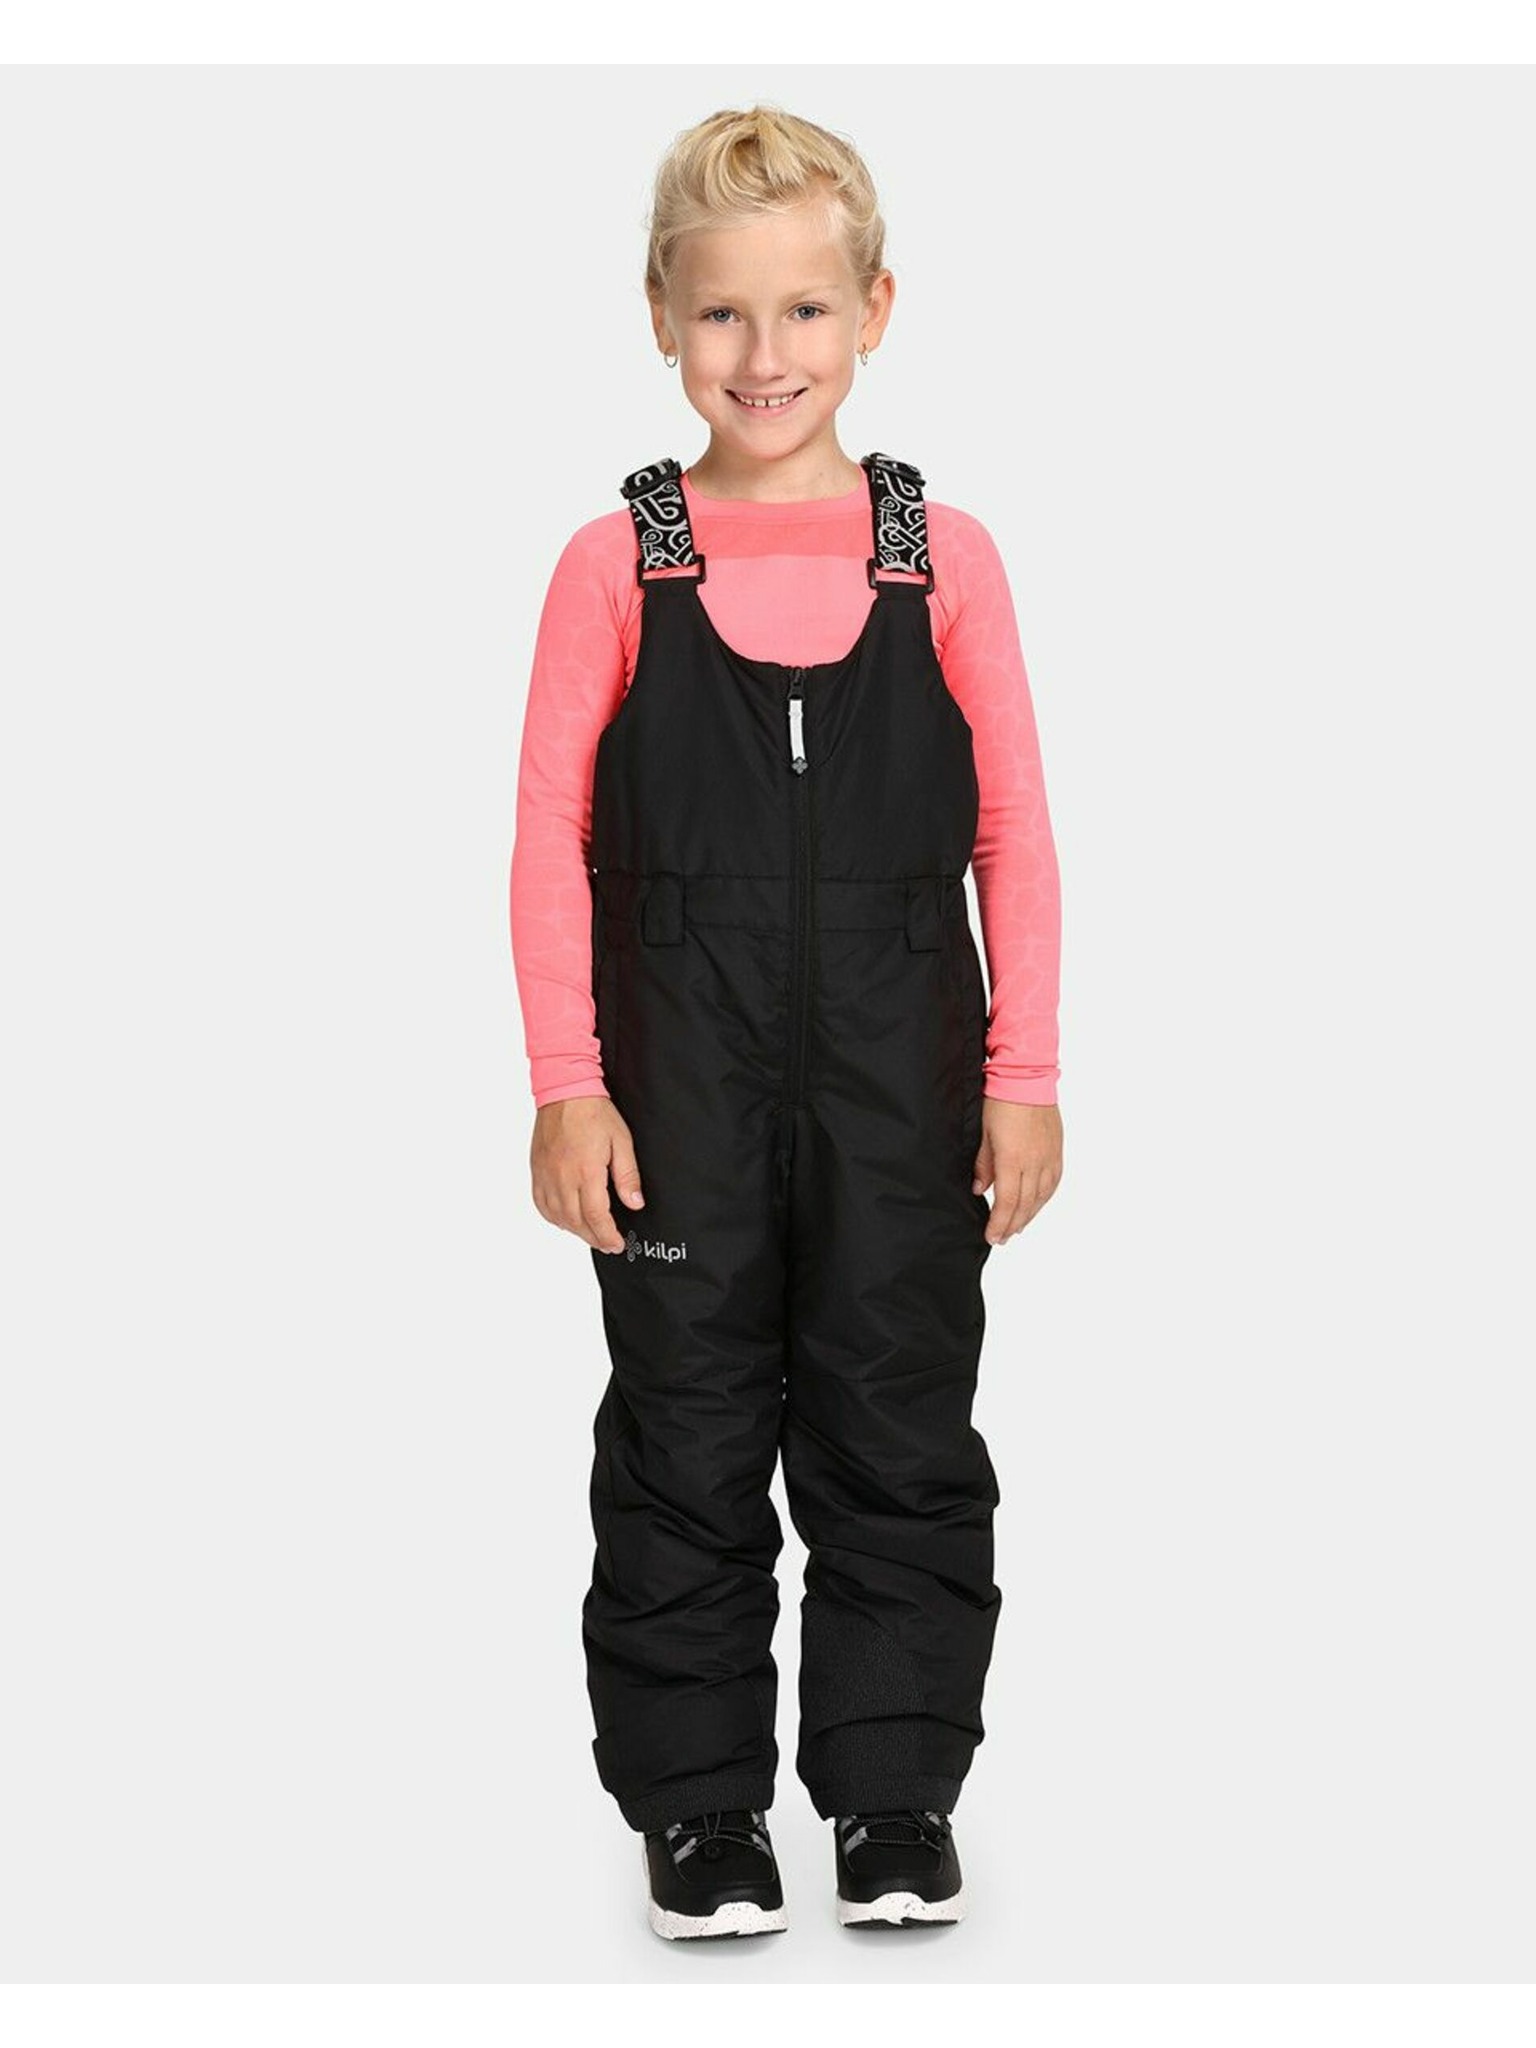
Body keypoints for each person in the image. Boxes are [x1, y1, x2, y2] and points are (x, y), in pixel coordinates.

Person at [509, 103, 1064, 1941]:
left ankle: (895, 1792)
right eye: (725, 314)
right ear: (662, 316)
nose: (768, 355)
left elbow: (1014, 834)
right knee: (683, 1436)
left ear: (876, 311)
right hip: (678, 1083)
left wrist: (1025, 1075)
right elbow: (546, 837)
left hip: (908, 1080)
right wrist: (569, 1086)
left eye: (808, 309)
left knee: (898, 1421)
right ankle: (699, 1811)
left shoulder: (944, 556)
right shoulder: (618, 563)